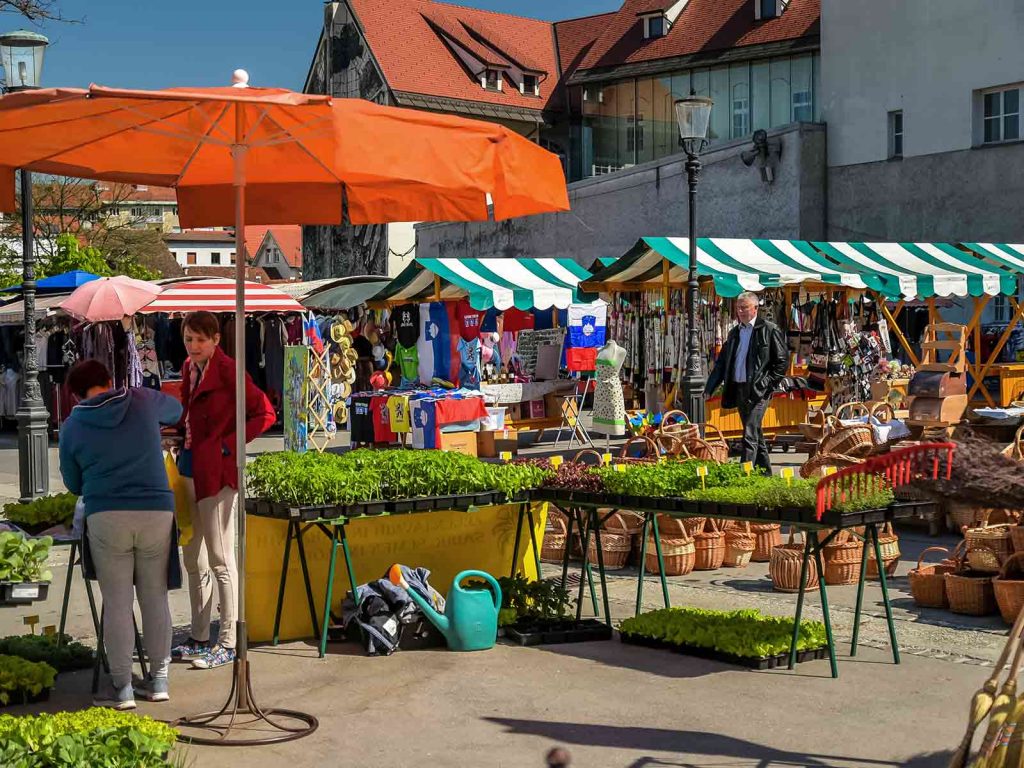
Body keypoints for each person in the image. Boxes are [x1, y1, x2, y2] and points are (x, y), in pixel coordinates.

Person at [59, 359, 183, 710]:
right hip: (156, 511)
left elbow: (72, 483)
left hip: (107, 514)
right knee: (155, 596)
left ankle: (123, 686)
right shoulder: (142, 399)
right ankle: (159, 680)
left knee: (116, 602)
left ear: (76, 395)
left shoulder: (73, 424)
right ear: (109, 380)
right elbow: (175, 410)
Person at [173, 311, 275, 670]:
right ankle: (200, 636)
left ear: (216, 339)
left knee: (220, 557)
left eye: (201, 339)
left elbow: (264, 414)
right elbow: (188, 411)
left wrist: (227, 446)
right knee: (193, 556)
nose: (194, 346)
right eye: (189, 339)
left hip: (216, 472)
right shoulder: (189, 368)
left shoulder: (230, 370)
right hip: (188, 467)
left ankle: (228, 640)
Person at [704, 292, 788, 474]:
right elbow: (722, 363)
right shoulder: (734, 333)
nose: (740, 311)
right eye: (738, 308)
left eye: (744, 307)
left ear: (756, 308)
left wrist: (766, 383)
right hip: (740, 388)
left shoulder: (769, 329)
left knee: (749, 432)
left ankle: (744, 475)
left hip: (759, 390)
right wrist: (710, 387)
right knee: (755, 433)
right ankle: (765, 474)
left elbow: (782, 362)